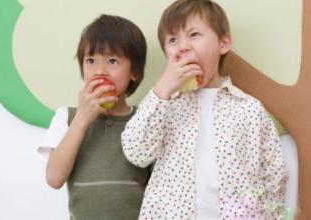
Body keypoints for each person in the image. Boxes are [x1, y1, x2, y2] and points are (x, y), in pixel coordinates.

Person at [121, 0, 288, 219]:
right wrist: (161, 89)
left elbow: (274, 174)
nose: (182, 46)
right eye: (172, 40)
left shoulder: (249, 109)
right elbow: (136, 153)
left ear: (223, 43)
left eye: (194, 34)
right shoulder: (162, 104)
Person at [38, 14, 150, 219]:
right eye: (90, 60)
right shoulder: (67, 117)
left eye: (113, 60)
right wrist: (82, 120)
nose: (100, 71)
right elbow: (54, 178)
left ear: (134, 71)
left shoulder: (145, 119)